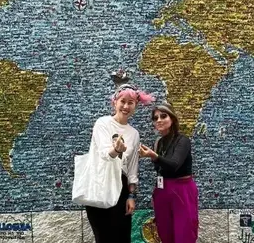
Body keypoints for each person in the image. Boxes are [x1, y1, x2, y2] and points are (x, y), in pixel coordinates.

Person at [85, 83, 155, 243]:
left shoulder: (134, 134)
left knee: (122, 236)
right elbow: (104, 154)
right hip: (99, 183)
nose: (126, 106)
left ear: (135, 106)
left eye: (131, 103)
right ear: (115, 102)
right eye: (122, 101)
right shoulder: (102, 123)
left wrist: (131, 196)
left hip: (121, 186)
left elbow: (132, 168)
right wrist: (116, 150)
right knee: (103, 237)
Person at [139, 102, 199, 243]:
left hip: (182, 190)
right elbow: (160, 169)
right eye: (155, 118)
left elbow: (174, 165)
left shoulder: (182, 140)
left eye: (163, 116)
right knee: (165, 232)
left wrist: (154, 156)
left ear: (172, 118)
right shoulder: (158, 143)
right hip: (162, 190)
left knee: (184, 232)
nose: (159, 120)